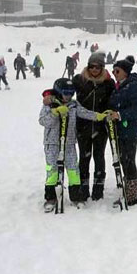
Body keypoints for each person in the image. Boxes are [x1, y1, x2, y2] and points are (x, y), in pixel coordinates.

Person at [39, 78, 108, 210]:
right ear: (59, 92)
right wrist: (55, 113)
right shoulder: (49, 104)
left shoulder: (74, 105)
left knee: (73, 170)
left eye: (71, 93)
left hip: (69, 143)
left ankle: (76, 196)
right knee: (52, 170)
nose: (68, 96)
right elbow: (43, 121)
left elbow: (85, 113)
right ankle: (51, 197)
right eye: (66, 93)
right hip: (52, 143)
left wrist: (99, 116)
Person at [71, 52, 115, 201]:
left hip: (100, 126)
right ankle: (83, 188)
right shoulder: (79, 80)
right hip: (83, 125)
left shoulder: (108, 83)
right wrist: (49, 96)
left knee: (99, 156)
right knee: (84, 157)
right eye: (91, 66)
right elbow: (62, 90)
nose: (94, 69)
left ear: (102, 68)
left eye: (97, 67)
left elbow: (114, 99)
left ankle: (98, 188)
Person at [109, 56, 137, 206]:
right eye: (113, 71)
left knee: (129, 160)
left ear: (125, 72)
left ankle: (131, 192)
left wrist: (120, 115)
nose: (114, 73)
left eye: (117, 71)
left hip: (129, 130)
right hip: (118, 130)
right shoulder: (119, 85)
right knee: (123, 159)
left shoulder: (133, 85)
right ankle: (129, 187)